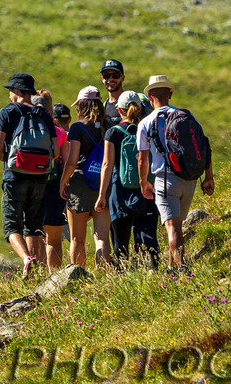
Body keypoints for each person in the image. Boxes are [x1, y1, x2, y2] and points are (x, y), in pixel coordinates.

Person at [136, 75, 214, 270]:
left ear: (149, 96)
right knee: (177, 226)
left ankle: (182, 268)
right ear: (169, 94)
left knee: (172, 227)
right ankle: (172, 269)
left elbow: (142, 159)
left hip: (164, 180)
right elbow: (204, 146)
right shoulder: (187, 116)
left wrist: (143, 182)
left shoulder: (145, 123)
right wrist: (209, 178)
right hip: (189, 179)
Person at [0, 72, 56, 278]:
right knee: (34, 225)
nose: (10, 94)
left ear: (18, 91)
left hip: (14, 176)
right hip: (39, 177)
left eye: (11, 90)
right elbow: (55, 147)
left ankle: (26, 259)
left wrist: (5, 157)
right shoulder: (44, 114)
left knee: (11, 225)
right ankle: (36, 267)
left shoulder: (7, 112)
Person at [98, 91, 159, 269]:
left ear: (119, 109)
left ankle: (121, 277)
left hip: (120, 192)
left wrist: (102, 195)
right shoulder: (148, 129)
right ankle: (153, 273)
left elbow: (107, 165)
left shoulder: (112, 133)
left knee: (120, 242)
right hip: (146, 189)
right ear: (140, 108)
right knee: (148, 237)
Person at [59, 87, 114, 270]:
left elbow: (72, 160)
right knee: (102, 237)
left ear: (82, 105)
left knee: (77, 238)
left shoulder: (77, 128)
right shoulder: (109, 125)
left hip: (80, 182)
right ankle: (105, 276)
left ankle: (77, 278)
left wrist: (63, 180)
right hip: (103, 183)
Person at [41, 97, 70, 271]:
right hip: (53, 187)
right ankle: (53, 277)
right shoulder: (60, 134)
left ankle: (35, 276)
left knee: (35, 235)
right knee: (53, 240)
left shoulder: (26, 129)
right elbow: (67, 163)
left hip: (31, 186)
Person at [99, 59, 127, 130]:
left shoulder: (129, 102)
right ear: (102, 79)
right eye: (106, 75)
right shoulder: (103, 106)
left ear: (122, 78)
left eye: (115, 75)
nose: (110, 79)